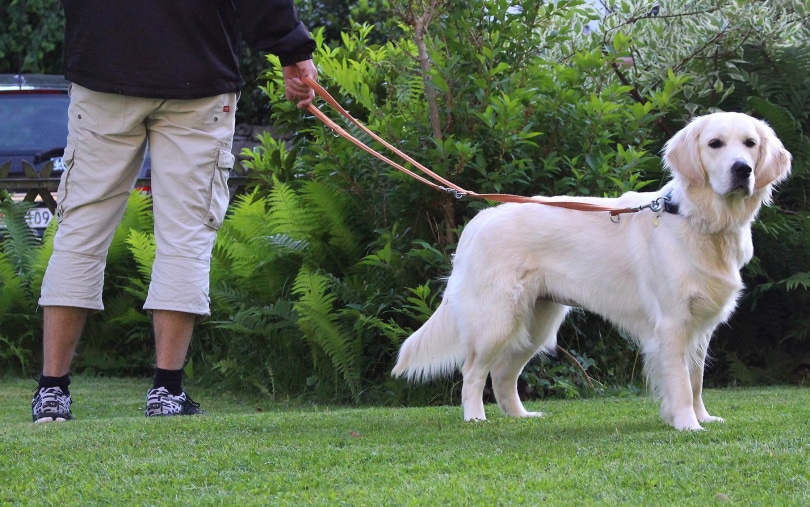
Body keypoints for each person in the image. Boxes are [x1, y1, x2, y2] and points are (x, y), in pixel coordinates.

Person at [31, 0, 318, 423]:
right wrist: (292, 50)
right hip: (199, 71)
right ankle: (166, 392)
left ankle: (52, 392)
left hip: (104, 68)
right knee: (186, 234)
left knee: (80, 230)